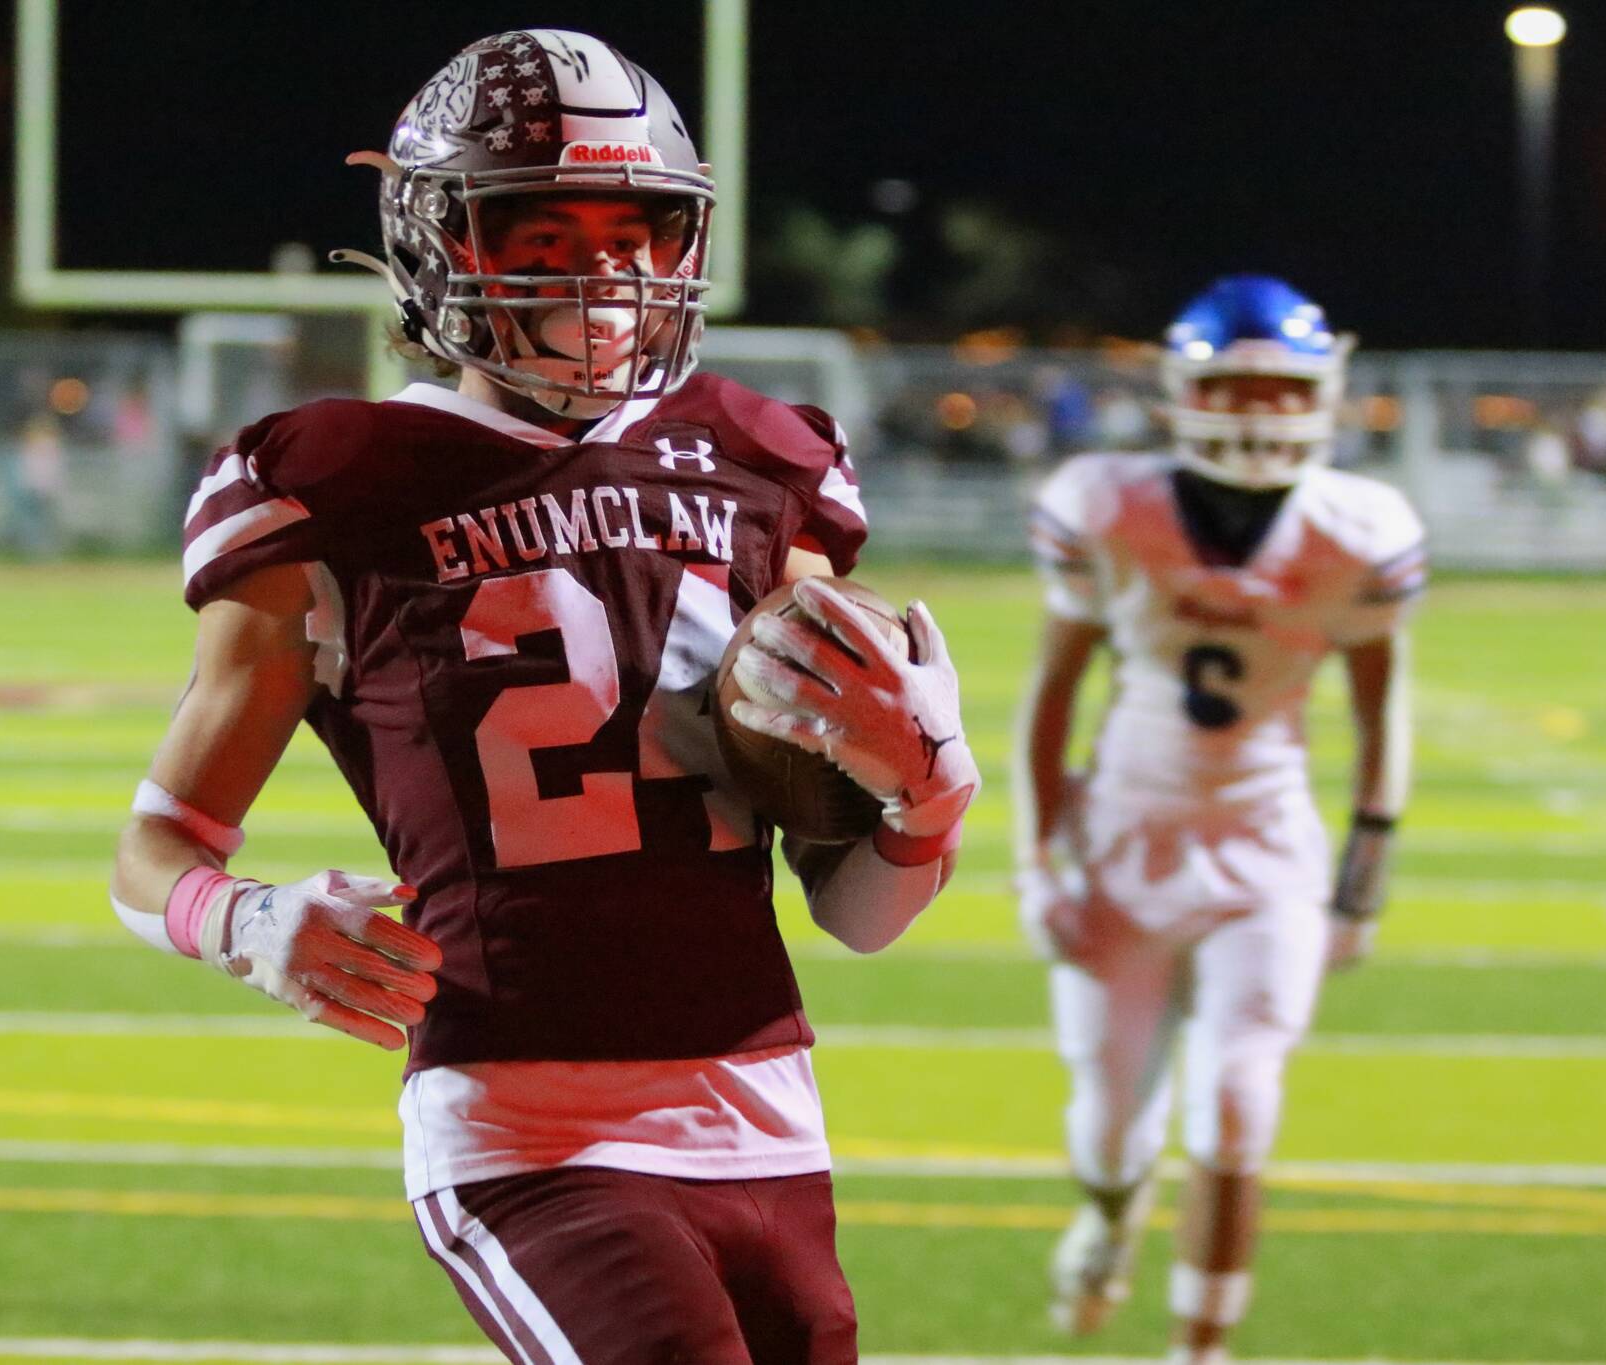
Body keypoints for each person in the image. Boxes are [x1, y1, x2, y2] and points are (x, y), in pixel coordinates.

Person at [109, 29, 979, 1363]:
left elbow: (857, 915)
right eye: (543, 229)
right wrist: (242, 921)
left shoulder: (760, 462)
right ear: (438, 243)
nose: (605, 268)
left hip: (766, 1106)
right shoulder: (337, 479)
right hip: (527, 1119)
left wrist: (927, 796)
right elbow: (152, 850)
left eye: (636, 228)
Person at [1014, 276, 1424, 1365]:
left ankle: (1200, 1349)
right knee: (1108, 1121)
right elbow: (1049, 695)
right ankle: (1107, 1215)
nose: (1254, 415)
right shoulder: (1108, 505)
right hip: (1121, 844)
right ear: (1183, 393)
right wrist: (1034, 858)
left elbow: (1382, 710)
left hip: (1264, 850)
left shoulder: (1356, 527)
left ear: (1321, 397)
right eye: (1233, 390)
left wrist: (1360, 880)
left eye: (1277, 392)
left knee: (1239, 1104)